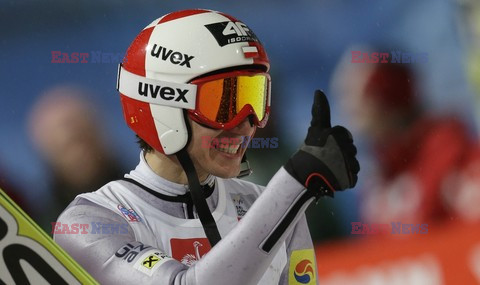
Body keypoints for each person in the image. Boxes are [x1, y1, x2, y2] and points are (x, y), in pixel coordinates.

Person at [54, 9, 359, 284]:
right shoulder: (89, 222)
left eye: (254, 97)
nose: (246, 123)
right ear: (164, 107)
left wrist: (288, 194)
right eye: (224, 103)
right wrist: (293, 185)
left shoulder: (268, 203)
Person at [335, 53, 472, 225]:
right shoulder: (377, 174)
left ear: (386, 99)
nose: (347, 107)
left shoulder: (447, 150)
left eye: (352, 94)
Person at [28, 86, 126, 232]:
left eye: (84, 140)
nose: (79, 155)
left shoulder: (149, 196)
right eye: (67, 147)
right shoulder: (37, 225)